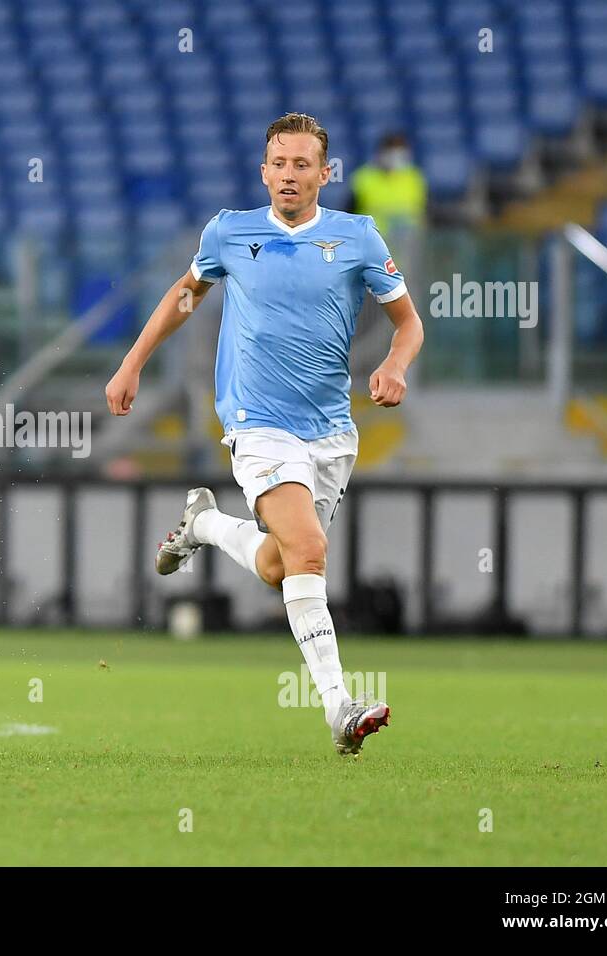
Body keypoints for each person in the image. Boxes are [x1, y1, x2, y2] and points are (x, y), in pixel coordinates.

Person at [105, 113, 425, 755]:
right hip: (257, 422)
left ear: (324, 174)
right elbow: (185, 296)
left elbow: (409, 323)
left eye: (302, 164)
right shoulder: (230, 232)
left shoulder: (358, 237)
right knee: (308, 550)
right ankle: (339, 707)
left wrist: (394, 364)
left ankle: (203, 525)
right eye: (278, 163)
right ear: (263, 170)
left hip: (331, 431)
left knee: (283, 565)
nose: (288, 174)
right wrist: (132, 362)